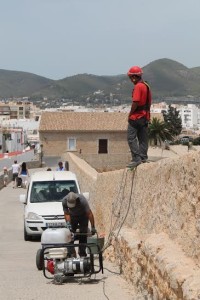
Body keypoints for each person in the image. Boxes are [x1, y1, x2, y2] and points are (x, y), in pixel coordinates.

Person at [127, 66, 152, 168]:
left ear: (134, 77)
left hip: (136, 117)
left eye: (133, 77)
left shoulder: (138, 86)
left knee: (131, 138)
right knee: (143, 138)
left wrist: (130, 113)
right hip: (145, 116)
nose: (132, 79)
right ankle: (143, 158)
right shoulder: (146, 86)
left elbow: (136, 102)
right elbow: (149, 102)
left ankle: (136, 159)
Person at [62, 192, 96, 257]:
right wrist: (68, 223)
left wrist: (93, 227)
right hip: (72, 217)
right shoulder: (64, 201)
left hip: (83, 216)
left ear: (76, 200)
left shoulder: (82, 200)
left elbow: (89, 214)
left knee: (83, 234)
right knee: (70, 234)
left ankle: (82, 253)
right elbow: (66, 213)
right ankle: (72, 253)